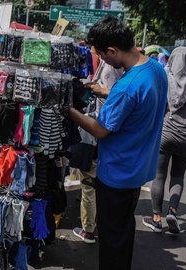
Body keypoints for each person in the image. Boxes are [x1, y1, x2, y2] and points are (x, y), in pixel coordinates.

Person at [67, 17, 168, 269]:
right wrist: (103, 92)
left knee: (112, 240)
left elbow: (100, 130)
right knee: (123, 233)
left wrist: (68, 110)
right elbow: (141, 101)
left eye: (102, 55)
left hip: (117, 173)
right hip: (137, 168)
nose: (102, 60)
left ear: (112, 51)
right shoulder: (155, 69)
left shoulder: (126, 86)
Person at [142, 47, 186, 235]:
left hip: (165, 134)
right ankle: (172, 212)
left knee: (159, 176)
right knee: (177, 176)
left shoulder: (164, 80)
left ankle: (156, 219)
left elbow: (153, 107)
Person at [72, 55, 123, 244]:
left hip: (98, 133)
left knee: (89, 185)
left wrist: (98, 91)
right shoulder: (122, 70)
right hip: (110, 137)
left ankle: (88, 231)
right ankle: (102, 227)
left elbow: (108, 100)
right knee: (102, 184)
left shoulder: (110, 68)